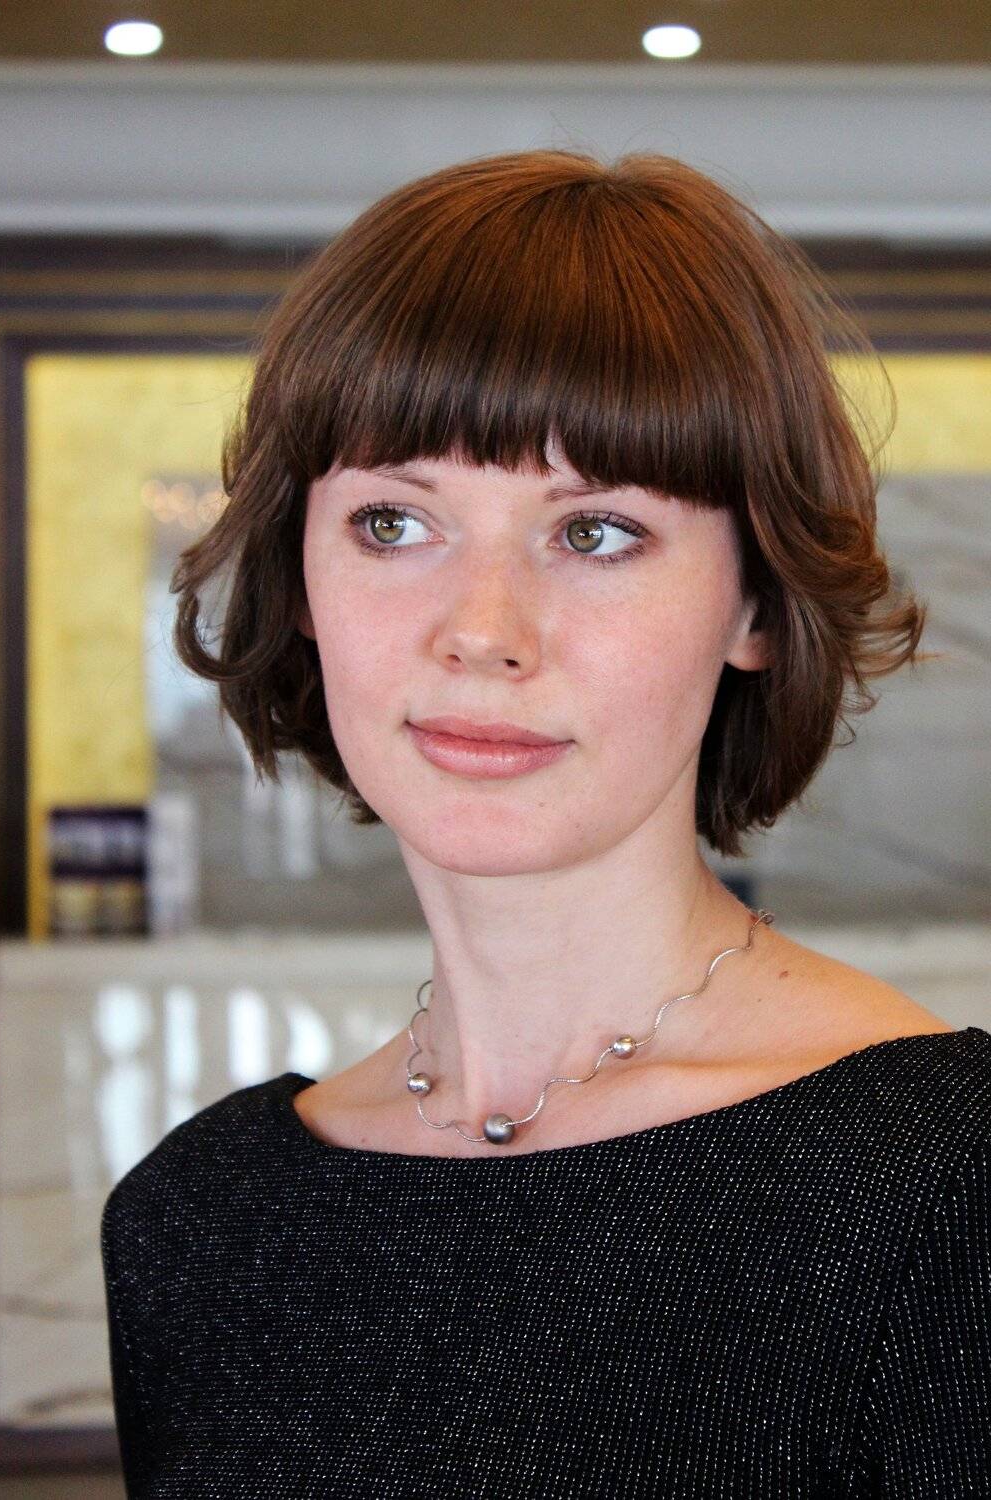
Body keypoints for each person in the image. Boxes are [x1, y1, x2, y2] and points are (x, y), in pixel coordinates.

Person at [100, 148, 990, 1496]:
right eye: (393, 522)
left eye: (596, 534)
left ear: (757, 603)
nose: (482, 633)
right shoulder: (194, 1224)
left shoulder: (945, 1190)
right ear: (301, 577)